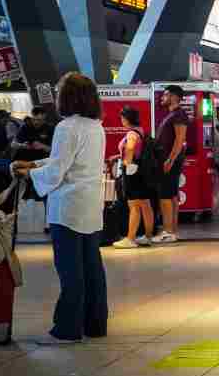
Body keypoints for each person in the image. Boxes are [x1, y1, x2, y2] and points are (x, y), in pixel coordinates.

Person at [12, 73, 108, 344]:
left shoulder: (67, 127)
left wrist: (29, 173)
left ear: (69, 97)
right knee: (92, 268)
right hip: (90, 206)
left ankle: (67, 328)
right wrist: (35, 165)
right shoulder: (95, 127)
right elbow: (66, 161)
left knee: (70, 271)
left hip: (68, 208)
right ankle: (95, 323)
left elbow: (57, 171)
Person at [111, 106, 155, 249]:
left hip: (132, 173)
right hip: (142, 172)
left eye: (122, 118)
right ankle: (148, 236)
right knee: (145, 205)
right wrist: (119, 156)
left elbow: (130, 148)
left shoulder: (131, 133)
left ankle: (130, 238)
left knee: (134, 205)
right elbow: (137, 149)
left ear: (126, 119)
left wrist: (126, 162)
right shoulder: (140, 130)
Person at [154, 84, 189, 243]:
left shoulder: (179, 114)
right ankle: (172, 231)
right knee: (172, 195)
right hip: (169, 159)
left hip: (170, 160)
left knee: (165, 196)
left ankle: (168, 231)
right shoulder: (172, 114)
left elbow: (180, 139)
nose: (162, 97)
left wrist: (170, 159)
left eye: (165, 94)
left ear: (174, 97)